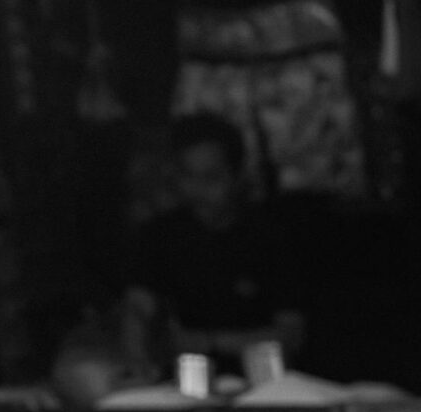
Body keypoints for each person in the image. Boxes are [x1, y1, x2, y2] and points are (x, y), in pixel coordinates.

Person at [123, 112, 305, 369]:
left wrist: (209, 342)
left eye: (211, 178)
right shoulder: (160, 235)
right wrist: (138, 363)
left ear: (237, 175)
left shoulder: (270, 237)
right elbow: (138, 309)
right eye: (188, 176)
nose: (198, 190)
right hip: (180, 381)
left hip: (261, 379)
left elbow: (290, 335)